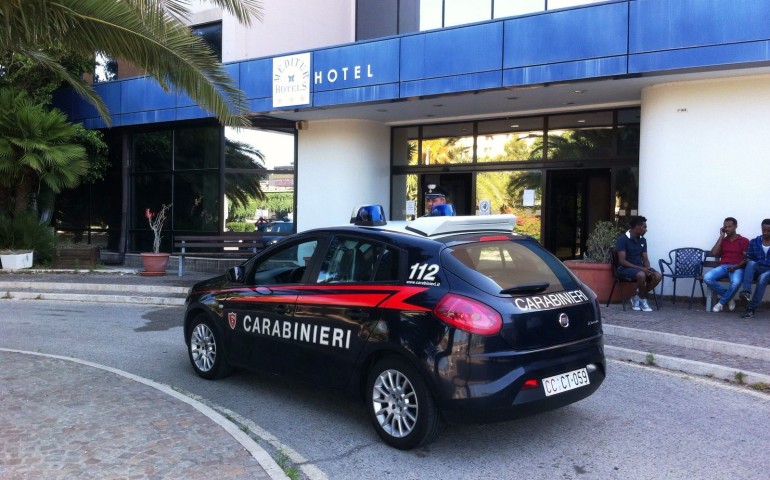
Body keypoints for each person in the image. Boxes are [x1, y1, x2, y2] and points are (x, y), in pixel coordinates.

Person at [615, 215, 662, 312]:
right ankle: (642, 299)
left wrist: (648, 268)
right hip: (624, 269)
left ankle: (638, 297)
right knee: (641, 275)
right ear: (637, 227)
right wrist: (642, 269)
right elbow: (622, 261)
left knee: (657, 276)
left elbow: (645, 258)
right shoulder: (622, 239)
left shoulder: (643, 240)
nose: (646, 230)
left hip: (639, 268)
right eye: (644, 227)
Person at [704, 217, 749, 312]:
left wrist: (735, 266)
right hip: (724, 266)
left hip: (738, 267)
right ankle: (729, 296)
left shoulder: (744, 240)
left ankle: (721, 303)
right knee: (707, 277)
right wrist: (721, 236)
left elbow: (746, 259)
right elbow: (714, 253)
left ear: (736, 226)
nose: (727, 229)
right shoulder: (723, 240)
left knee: (736, 282)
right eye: (725, 227)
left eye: (730, 226)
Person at [738, 219, 770, 318]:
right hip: (758, 269)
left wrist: (759, 262)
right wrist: (746, 258)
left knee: (763, 278)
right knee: (751, 263)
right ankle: (746, 292)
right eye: (764, 230)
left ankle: (751, 310)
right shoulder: (754, 242)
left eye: (769, 231)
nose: (765, 233)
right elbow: (750, 257)